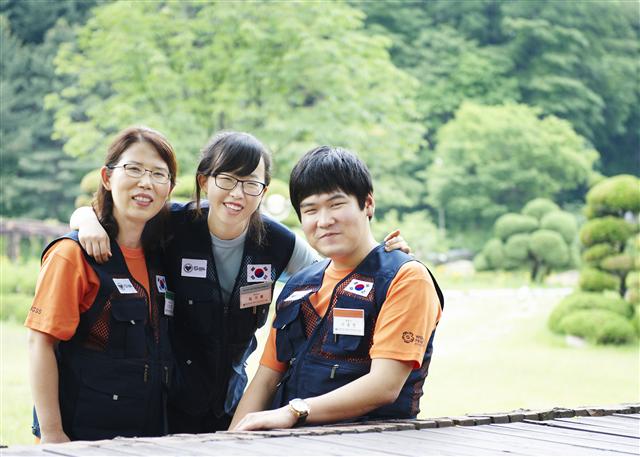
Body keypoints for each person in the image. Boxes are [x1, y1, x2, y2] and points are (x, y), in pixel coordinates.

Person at [70, 131, 409, 433]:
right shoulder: (171, 225)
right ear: (205, 181)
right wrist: (86, 219)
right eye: (227, 179)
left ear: (263, 190)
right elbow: (119, 219)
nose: (237, 193)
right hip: (165, 399)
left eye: (250, 183)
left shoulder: (278, 242)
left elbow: (338, 268)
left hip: (233, 399)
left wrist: (388, 256)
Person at [230, 146, 444, 431]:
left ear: (368, 204)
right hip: (290, 443)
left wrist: (294, 412)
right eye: (310, 210)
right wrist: (230, 439)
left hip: (371, 442)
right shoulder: (299, 284)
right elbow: (266, 378)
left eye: (336, 204)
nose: (324, 221)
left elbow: (384, 385)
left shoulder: (404, 278)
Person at [26, 126, 178, 442]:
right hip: (82, 436)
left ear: (169, 188)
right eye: (134, 169)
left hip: (147, 437)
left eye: (158, 174)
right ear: (107, 178)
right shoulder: (72, 255)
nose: (146, 182)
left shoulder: (162, 254)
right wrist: (53, 434)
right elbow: (40, 343)